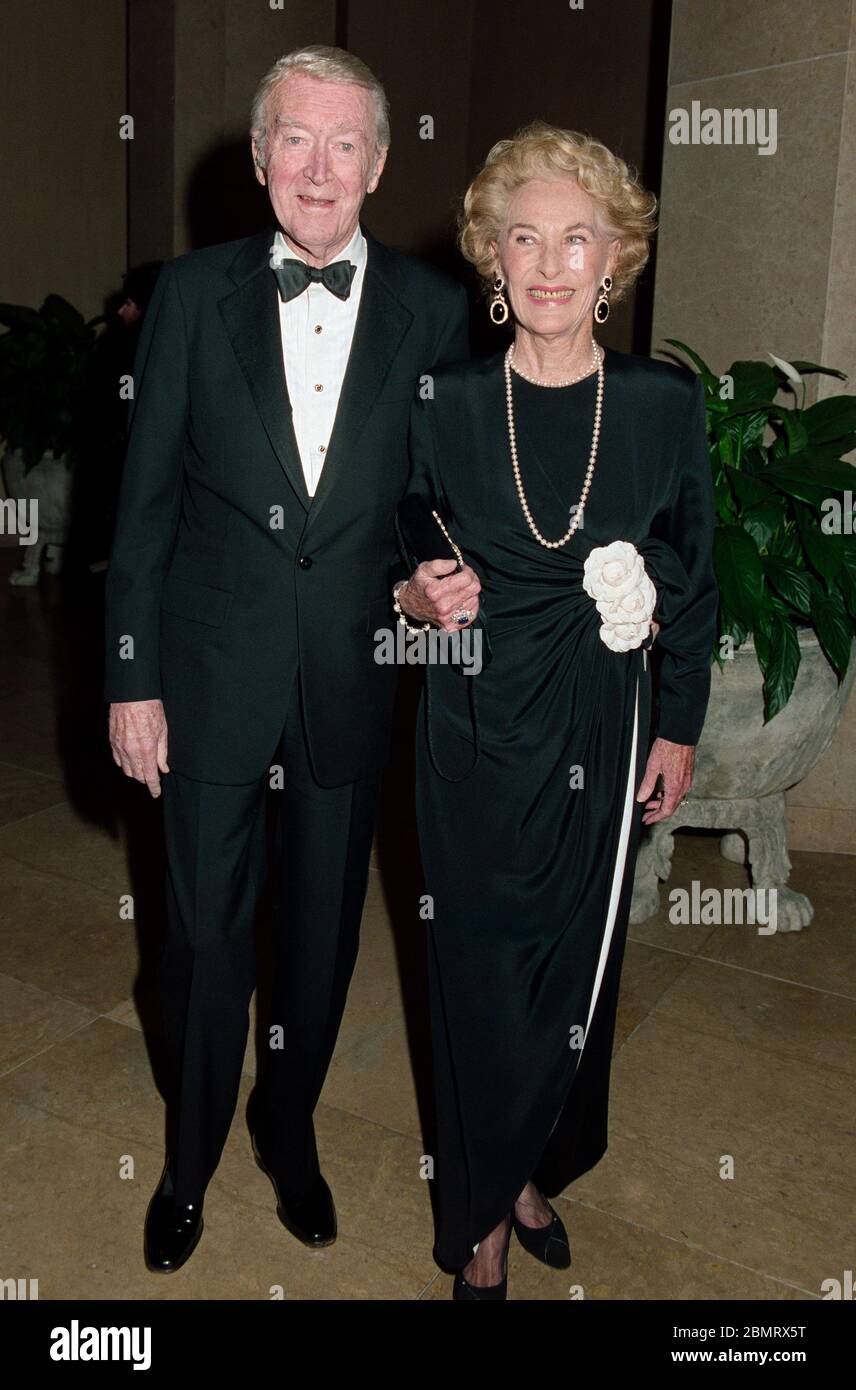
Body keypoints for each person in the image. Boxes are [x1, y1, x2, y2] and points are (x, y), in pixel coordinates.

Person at [104, 44, 469, 1273]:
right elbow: (142, 508)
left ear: (378, 158)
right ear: (260, 158)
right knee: (204, 945)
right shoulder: (189, 295)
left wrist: (427, 574)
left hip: (349, 681)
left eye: (344, 142)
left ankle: (286, 1126)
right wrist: (129, 677)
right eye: (294, 141)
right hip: (205, 681)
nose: (318, 168)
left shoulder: (432, 308)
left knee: (318, 947)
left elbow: (425, 499)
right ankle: (190, 1154)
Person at [395, 121, 718, 1299]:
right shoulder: (447, 395)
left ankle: (525, 1164)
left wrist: (677, 722)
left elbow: (695, 568)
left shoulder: (658, 403)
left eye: (574, 239)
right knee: (476, 970)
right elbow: (412, 515)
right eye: (521, 237)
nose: (546, 264)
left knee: (572, 965)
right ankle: (479, 1219)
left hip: (599, 717)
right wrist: (419, 583)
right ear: (489, 253)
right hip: (474, 722)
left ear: (615, 257)